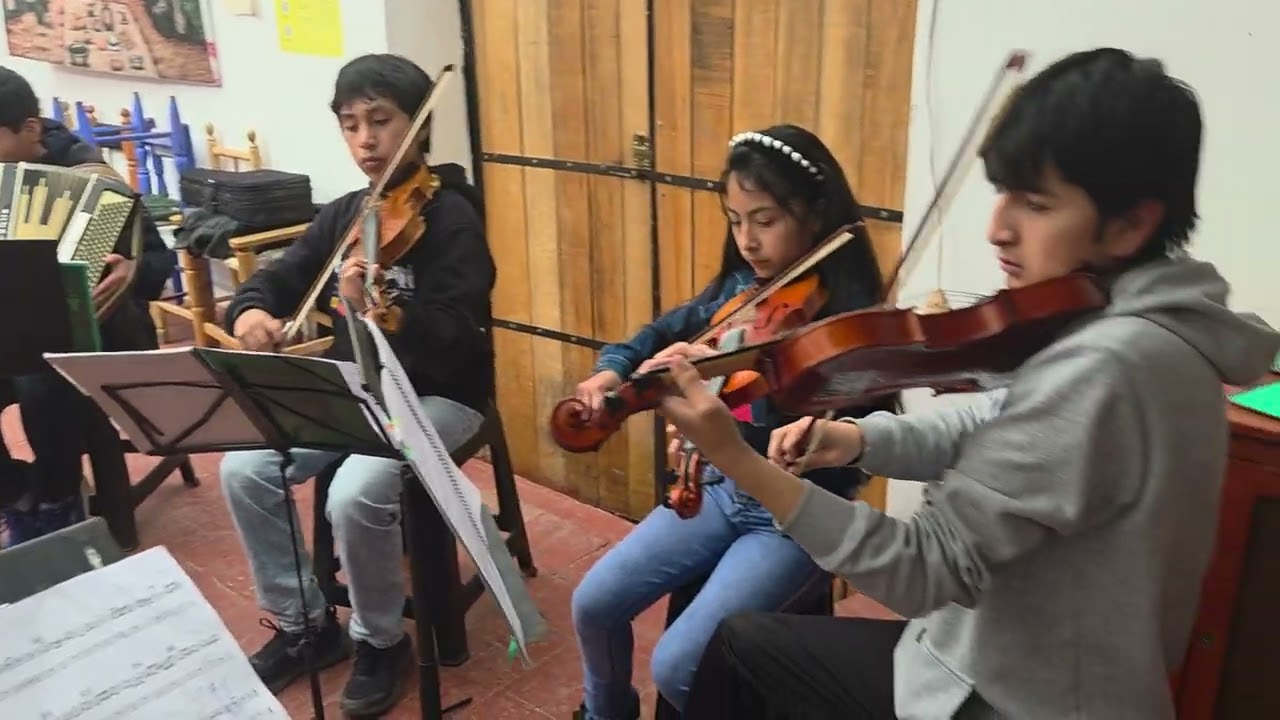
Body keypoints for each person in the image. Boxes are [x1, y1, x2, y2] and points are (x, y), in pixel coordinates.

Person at [649, 48, 1280, 719]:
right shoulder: (1150, 326)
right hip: (1042, 668)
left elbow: (922, 568)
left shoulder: (1109, 367)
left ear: (1131, 223)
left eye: (1035, 204)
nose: (997, 228)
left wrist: (737, 459)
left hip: (1006, 696)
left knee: (738, 654)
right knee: (747, 645)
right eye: (1003, 192)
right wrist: (857, 437)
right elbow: (1001, 422)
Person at [569, 124, 888, 719]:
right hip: (717, 492)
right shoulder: (740, 290)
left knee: (677, 665)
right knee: (592, 604)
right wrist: (612, 372)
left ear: (816, 216)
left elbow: (841, 455)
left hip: (792, 520)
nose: (747, 239)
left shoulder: (851, 325)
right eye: (735, 220)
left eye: (764, 220)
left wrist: (723, 382)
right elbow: (662, 331)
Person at [217, 54, 494, 717]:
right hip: (354, 390)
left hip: (440, 395)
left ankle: (380, 640)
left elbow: (457, 337)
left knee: (355, 492)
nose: (366, 140)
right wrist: (251, 311)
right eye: (351, 124)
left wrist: (389, 310)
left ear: (417, 125)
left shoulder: (452, 218)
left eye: (381, 120)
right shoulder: (347, 214)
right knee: (244, 467)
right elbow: (277, 281)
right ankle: (305, 627)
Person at [0, 65, 176, 546]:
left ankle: (60, 503)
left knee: (39, 382)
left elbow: (160, 259)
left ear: (30, 130)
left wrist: (130, 270)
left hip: (100, 333)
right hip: (12, 335)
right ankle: (18, 491)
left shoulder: (88, 173)